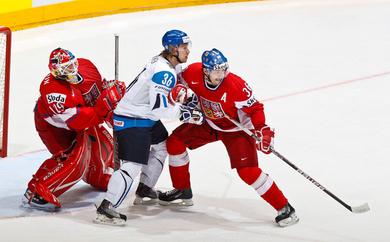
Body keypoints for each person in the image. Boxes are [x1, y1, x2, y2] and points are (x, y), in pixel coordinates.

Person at [159, 48, 299, 227]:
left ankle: (285, 208)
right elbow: (179, 80)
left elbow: (255, 108)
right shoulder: (194, 71)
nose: (221, 75)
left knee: (247, 172)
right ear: (205, 71)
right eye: (216, 71)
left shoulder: (235, 85)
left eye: (224, 70)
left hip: (236, 131)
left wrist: (261, 128)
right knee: (174, 142)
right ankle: (182, 190)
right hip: (208, 123)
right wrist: (180, 90)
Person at [93, 29, 194, 226]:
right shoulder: (164, 72)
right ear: (173, 49)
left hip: (143, 117)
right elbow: (158, 109)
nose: (187, 51)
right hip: (132, 120)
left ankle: (145, 188)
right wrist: (182, 113)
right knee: (132, 165)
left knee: (162, 146)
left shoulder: (163, 63)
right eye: (184, 47)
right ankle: (107, 207)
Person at [23, 48, 126, 210]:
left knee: (106, 145)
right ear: (57, 72)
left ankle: (97, 176)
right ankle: (38, 189)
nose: (73, 69)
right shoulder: (54, 91)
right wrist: (103, 108)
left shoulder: (87, 66)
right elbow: (76, 120)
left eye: (73, 64)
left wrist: (109, 93)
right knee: (73, 157)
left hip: (83, 119)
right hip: (55, 127)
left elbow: (98, 92)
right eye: (67, 68)